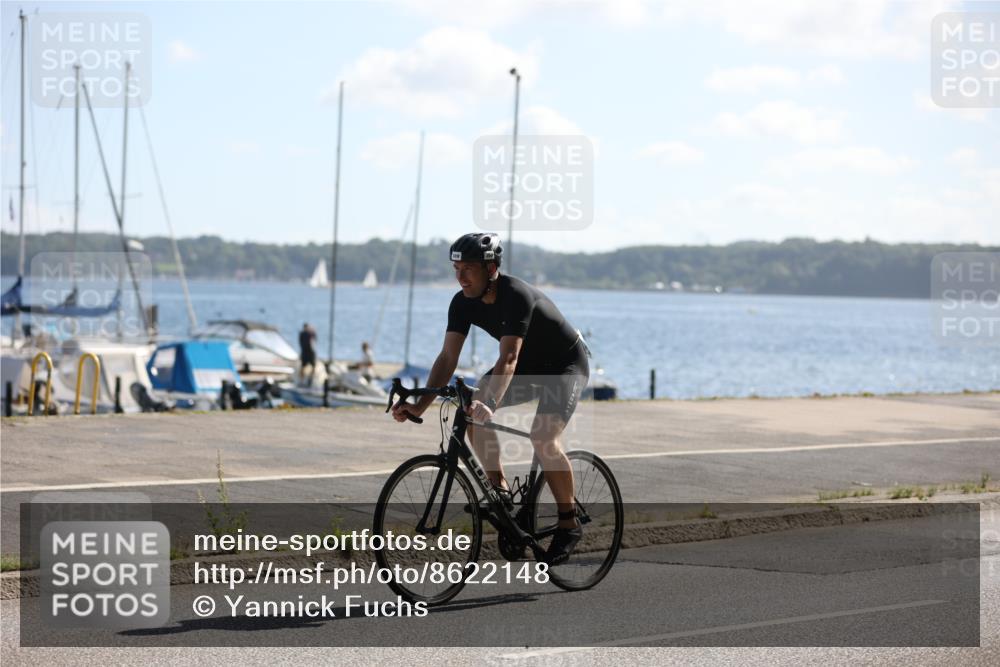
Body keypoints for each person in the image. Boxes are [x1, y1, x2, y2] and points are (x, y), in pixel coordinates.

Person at [390, 232, 589, 566]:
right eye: (456, 268)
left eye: (469, 268)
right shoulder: (462, 301)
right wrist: (420, 405)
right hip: (527, 367)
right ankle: (499, 490)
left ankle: (568, 524)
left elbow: (508, 359)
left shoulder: (516, 295)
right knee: (470, 407)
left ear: (492, 268)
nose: (461, 276)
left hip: (564, 366)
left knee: (543, 437)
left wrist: (491, 404)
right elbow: (447, 358)